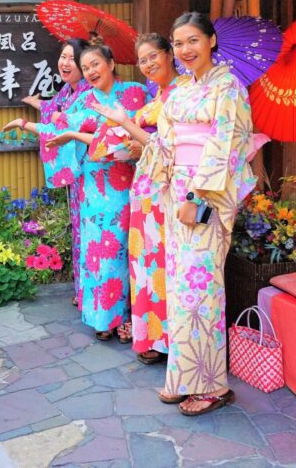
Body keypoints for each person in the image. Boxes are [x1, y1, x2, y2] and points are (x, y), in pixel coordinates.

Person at [145, 12, 257, 416]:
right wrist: (161, 179)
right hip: (178, 193)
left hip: (204, 195)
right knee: (180, 290)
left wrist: (197, 195)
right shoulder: (180, 91)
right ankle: (183, 377)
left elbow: (226, 145)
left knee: (201, 291)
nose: (184, 50)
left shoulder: (228, 87)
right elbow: (167, 139)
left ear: (211, 40)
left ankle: (212, 386)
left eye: (192, 40)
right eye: (177, 43)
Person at [6, 44, 147, 340]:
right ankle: (104, 318)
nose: (92, 71)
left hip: (128, 182)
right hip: (93, 185)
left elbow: (145, 131)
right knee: (99, 253)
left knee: (128, 251)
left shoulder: (136, 92)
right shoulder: (84, 98)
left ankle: (129, 318)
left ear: (110, 62)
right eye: (88, 67)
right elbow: (59, 126)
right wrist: (26, 124)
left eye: (97, 63)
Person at [90, 33, 185, 364]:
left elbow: (179, 149)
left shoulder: (183, 94)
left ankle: (170, 341)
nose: (147, 65)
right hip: (145, 188)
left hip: (167, 190)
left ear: (169, 55)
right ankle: (152, 338)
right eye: (142, 60)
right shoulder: (158, 95)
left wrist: (139, 140)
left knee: (164, 267)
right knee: (145, 265)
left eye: (153, 56)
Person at [17, 38, 91, 306]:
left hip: (90, 169)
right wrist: (34, 104)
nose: (65, 62)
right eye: (63, 56)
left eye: (72, 58)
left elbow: (61, 120)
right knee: (80, 229)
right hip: (77, 171)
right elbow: (54, 111)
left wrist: (27, 123)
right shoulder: (69, 91)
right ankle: (84, 290)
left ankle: (89, 292)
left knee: (90, 230)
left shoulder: (88, 93)